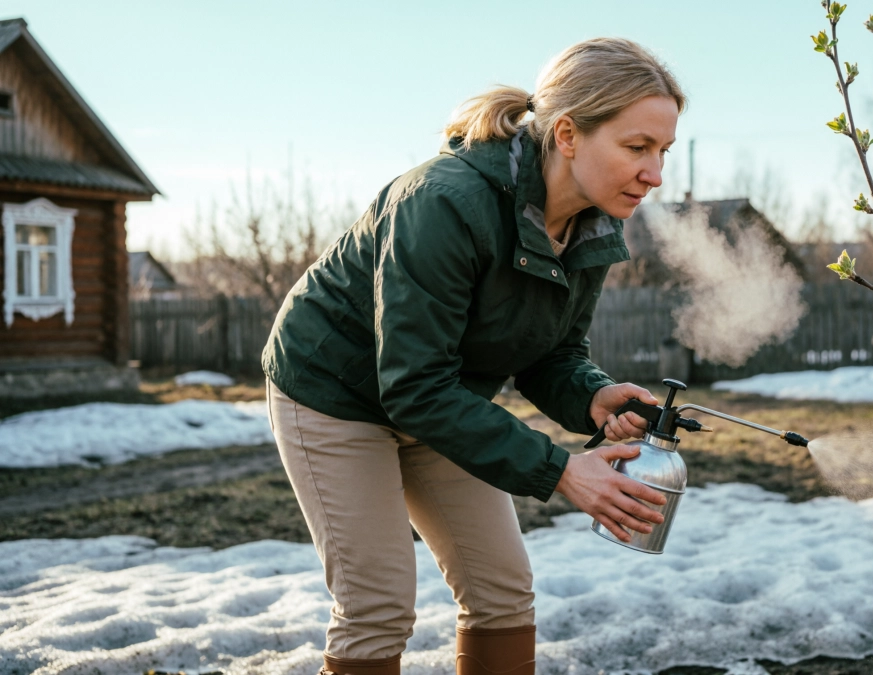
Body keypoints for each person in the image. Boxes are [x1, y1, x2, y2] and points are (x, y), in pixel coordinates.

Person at [262, 37, 686, 675]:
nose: (655, 174)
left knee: (502, 591)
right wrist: (563, 471)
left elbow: (551, 351)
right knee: (377, 605)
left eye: (663, 152)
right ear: (567, 134)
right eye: (637, 148)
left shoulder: (594, 225)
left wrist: (591, 395)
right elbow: (412, 386)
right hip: (335, 393)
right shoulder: (441, 202)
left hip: (442, 400)